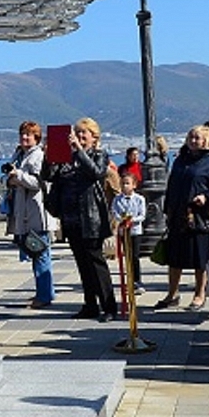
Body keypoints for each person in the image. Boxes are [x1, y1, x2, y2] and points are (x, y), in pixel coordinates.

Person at [44, 118, 118, 321]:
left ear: (94, 137)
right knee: (82, 263)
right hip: (70, 217)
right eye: (77, 132)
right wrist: (49, 155)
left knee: (96, 263)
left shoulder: (99, 154)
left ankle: (109, 306)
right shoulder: (65, 157)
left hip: (91, 216)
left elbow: (96, 173)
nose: (79, 136)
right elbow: (49, 176)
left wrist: (79, 151)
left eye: (84, 132)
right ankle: (90, 305)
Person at [156, 126, 209, 311]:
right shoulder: (181, 160)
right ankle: (172, 294)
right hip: (178, 215)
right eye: (191, 137)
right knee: (174, 258)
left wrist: (206, 197)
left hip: (200, 218)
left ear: (206, 141)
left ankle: (200, 294)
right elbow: (172, 184)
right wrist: (167, 208)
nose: (193, 141)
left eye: (197, 138)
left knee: (200, 260)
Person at [4, 121, 54, 308]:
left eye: (29, 135)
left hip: (37, 213)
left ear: (36, 138)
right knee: (36, 252)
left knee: (40, 253)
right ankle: (43, 292)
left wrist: (18, 176)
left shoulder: (38, 156)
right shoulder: (21, 155)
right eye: (23, 134)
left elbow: (37, 183)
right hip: (26, 212)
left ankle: (45, 295)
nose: (24, 138)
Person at [111, 172, 146, 296]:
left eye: (127, 183)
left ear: (134, 185)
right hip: (123, 231)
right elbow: (114, 212)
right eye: (123, 183)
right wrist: (121, 219)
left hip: (135, 231)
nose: (125, 186)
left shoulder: (139, 199)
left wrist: (132, 220)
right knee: (127, 256)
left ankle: (137, 281)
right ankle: (129, 280)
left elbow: (142, 215)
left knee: (134, 256)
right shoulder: (117, 199)